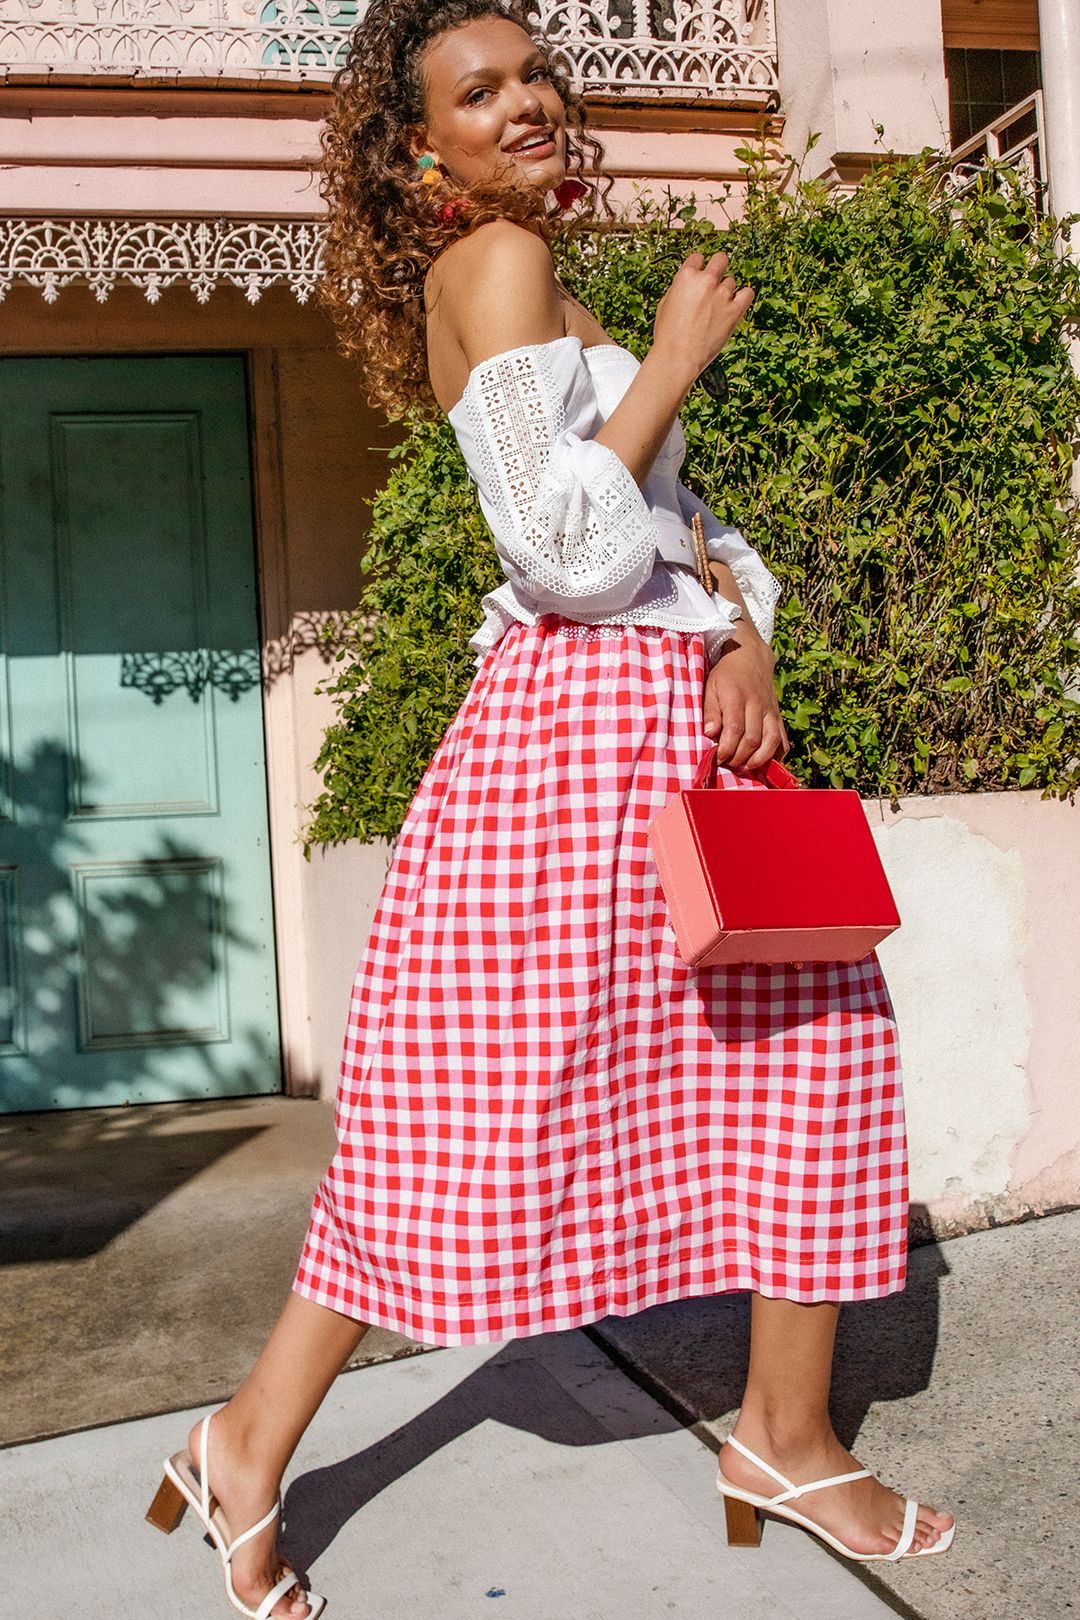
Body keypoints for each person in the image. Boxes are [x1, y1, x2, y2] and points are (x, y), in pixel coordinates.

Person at [144, 3, 955, 1614]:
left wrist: (744, 632)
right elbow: (567, 556)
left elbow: (671, 526)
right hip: (575, 747)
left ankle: (778, 1434)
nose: (524, 102)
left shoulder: (528, 267)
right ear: (411, 143)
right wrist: (669, 359)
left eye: (531, 74)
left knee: (790, 1056)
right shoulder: (494, 271)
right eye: (477, 90)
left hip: (660, 723)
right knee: (482, 1124)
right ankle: (248, 1444)